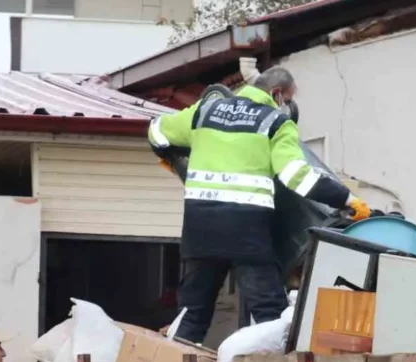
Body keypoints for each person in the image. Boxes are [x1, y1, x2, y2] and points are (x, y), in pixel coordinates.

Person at [148, 66, 371, 344]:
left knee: (193, 313)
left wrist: (174, 159)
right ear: (276, 94)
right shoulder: (275, 123)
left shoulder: (205, 111)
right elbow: (295, 176)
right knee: (269, 314)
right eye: (288, 100)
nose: (288, 106)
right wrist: (347, 200)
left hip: (200, 229)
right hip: (246, 232)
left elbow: (156, 131)